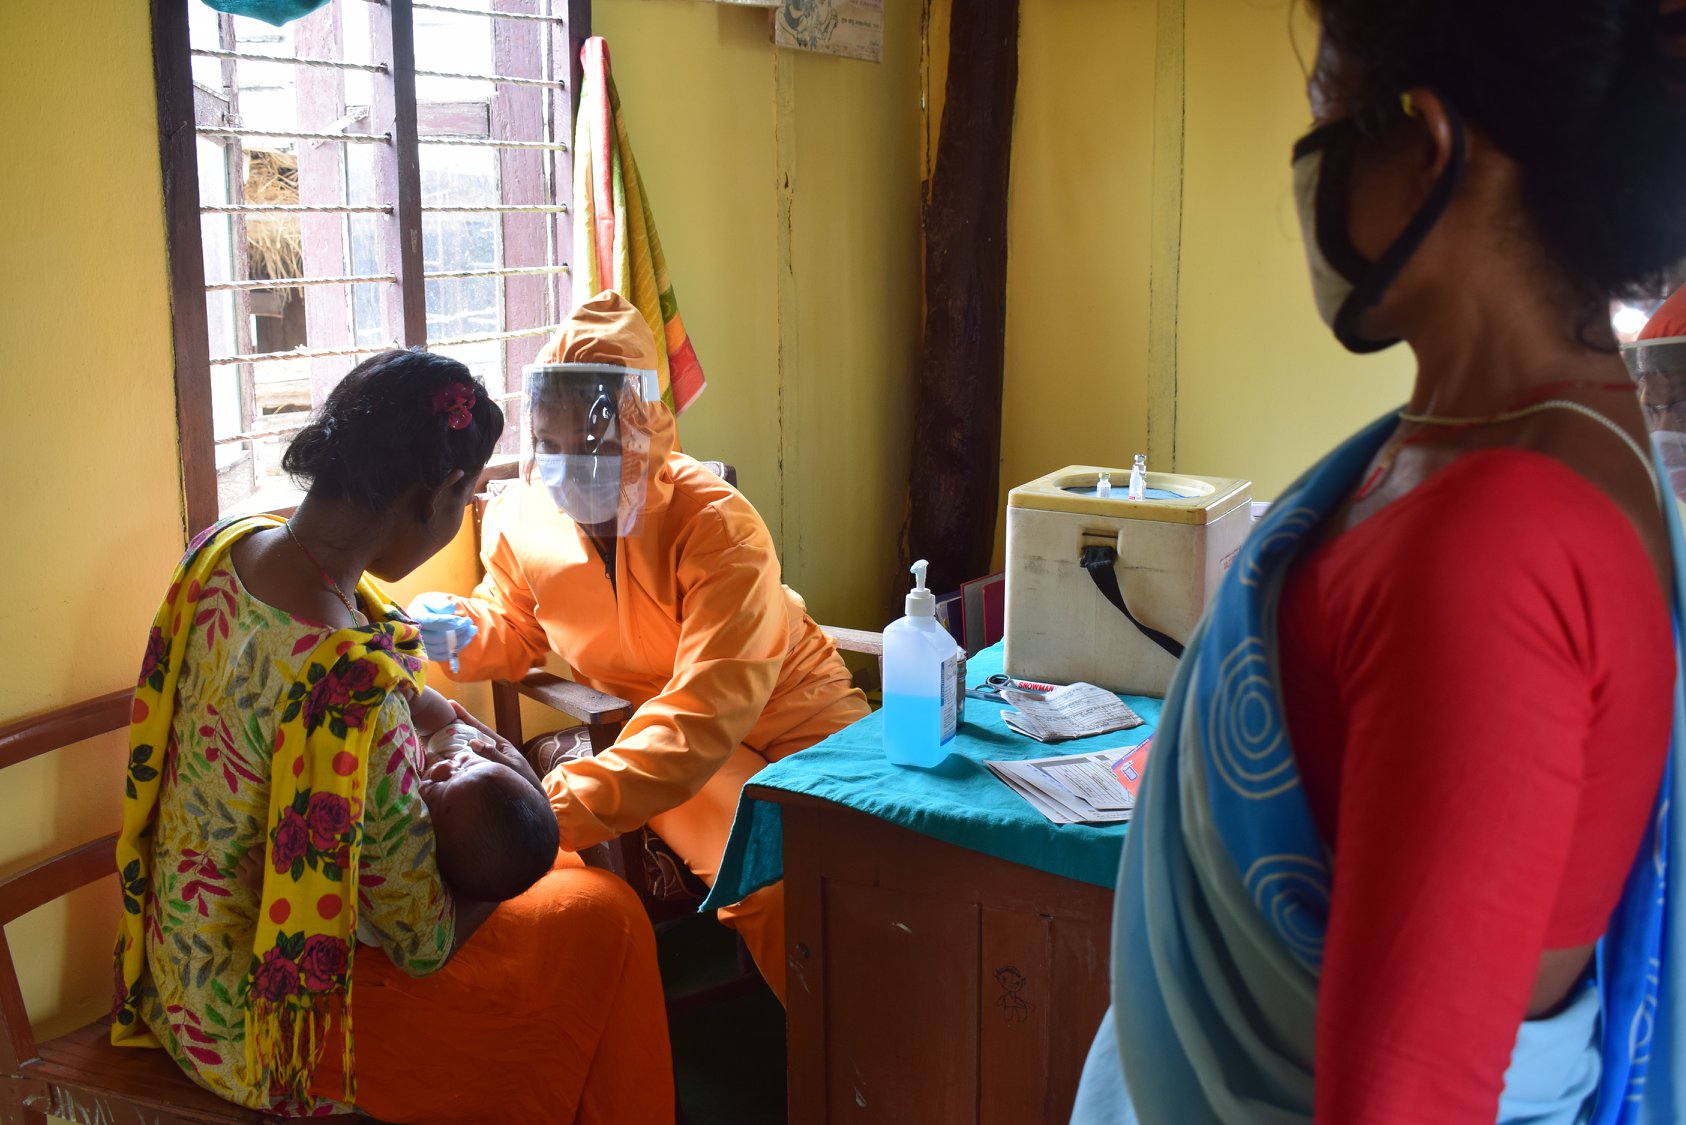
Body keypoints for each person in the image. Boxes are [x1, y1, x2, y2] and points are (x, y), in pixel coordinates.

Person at [1072, 2, 1686, 1122]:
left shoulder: (1500, 546)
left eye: (1328, 122)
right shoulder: (1484, 449)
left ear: (1430, 146)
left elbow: (1405, 1100)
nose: (1305, 179)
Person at [112, 349, 673, 1122]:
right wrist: (515, 861)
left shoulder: (226, 550)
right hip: (270, 1027)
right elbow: (422, 938)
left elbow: (365, 707)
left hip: (179, 969)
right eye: (466, 495)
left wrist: (457, 744)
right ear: (441, 492)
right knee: (603, 916)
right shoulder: (352, 690)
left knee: (565, 881)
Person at [410, 291, 871, 1003]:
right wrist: (463, 633)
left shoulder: (714, 523)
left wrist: (549, 807)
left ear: (643, 426)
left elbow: (709, 702)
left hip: (797, 717)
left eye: (595, 443)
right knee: (775, 879)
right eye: (552, 444)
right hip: (673, 747)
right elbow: (516, 625)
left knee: (885, 863)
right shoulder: (521, 520)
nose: (570, 466)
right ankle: (843, 1067)